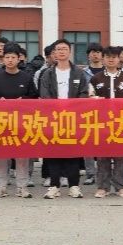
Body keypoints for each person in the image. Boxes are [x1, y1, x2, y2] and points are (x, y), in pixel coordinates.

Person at [38, 39, 90, 199]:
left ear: (69, 52)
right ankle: (54, 186)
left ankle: (74, 186)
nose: (61, 51)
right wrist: (55, 109)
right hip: (53, 119)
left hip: (72, 118)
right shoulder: (47, 74)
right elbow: (44, 94)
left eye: (64, 49)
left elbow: (84, 93)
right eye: (58, 49)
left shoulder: (78, 73)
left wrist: (73, 108)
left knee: (73, 153)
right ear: (54, 53)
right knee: (54, 153)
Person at [0, 46, 38, 200]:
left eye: (13, 57)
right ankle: (1, 186)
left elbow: (34, 97)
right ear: (3, 59)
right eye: (7, 57)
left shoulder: (26, 77)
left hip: (21, 122)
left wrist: (23, 100)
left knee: (22, 156)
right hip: (1, 122)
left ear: (19, 59)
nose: (10, 60)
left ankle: (22, 187)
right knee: (2, 155)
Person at [87, 46, 123, 197]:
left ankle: (120, 186)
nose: (111, 60)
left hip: (121, 121)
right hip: (102, 121)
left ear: (118, 59)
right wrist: (97, 100)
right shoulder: (96, 78)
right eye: (108, 57)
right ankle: (103, 186)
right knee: (103, 155)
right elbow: (89, 97)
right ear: (103, 59)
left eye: (114, 57)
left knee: (120, 155)